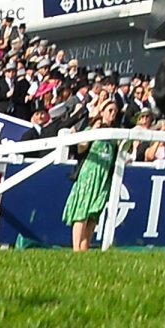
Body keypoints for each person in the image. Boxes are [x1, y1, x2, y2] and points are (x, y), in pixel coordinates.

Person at [63, 97, 121, 251]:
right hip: (90, 173)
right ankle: (77, 249)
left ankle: (85, 247)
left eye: (115, 111)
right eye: (109, 111)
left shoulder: (115, 135)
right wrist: (93, 129)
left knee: (94, 213)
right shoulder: (91, 130)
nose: (112, 114)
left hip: (104, 176)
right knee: (82, 211)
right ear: (102, 112)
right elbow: (81, 148)